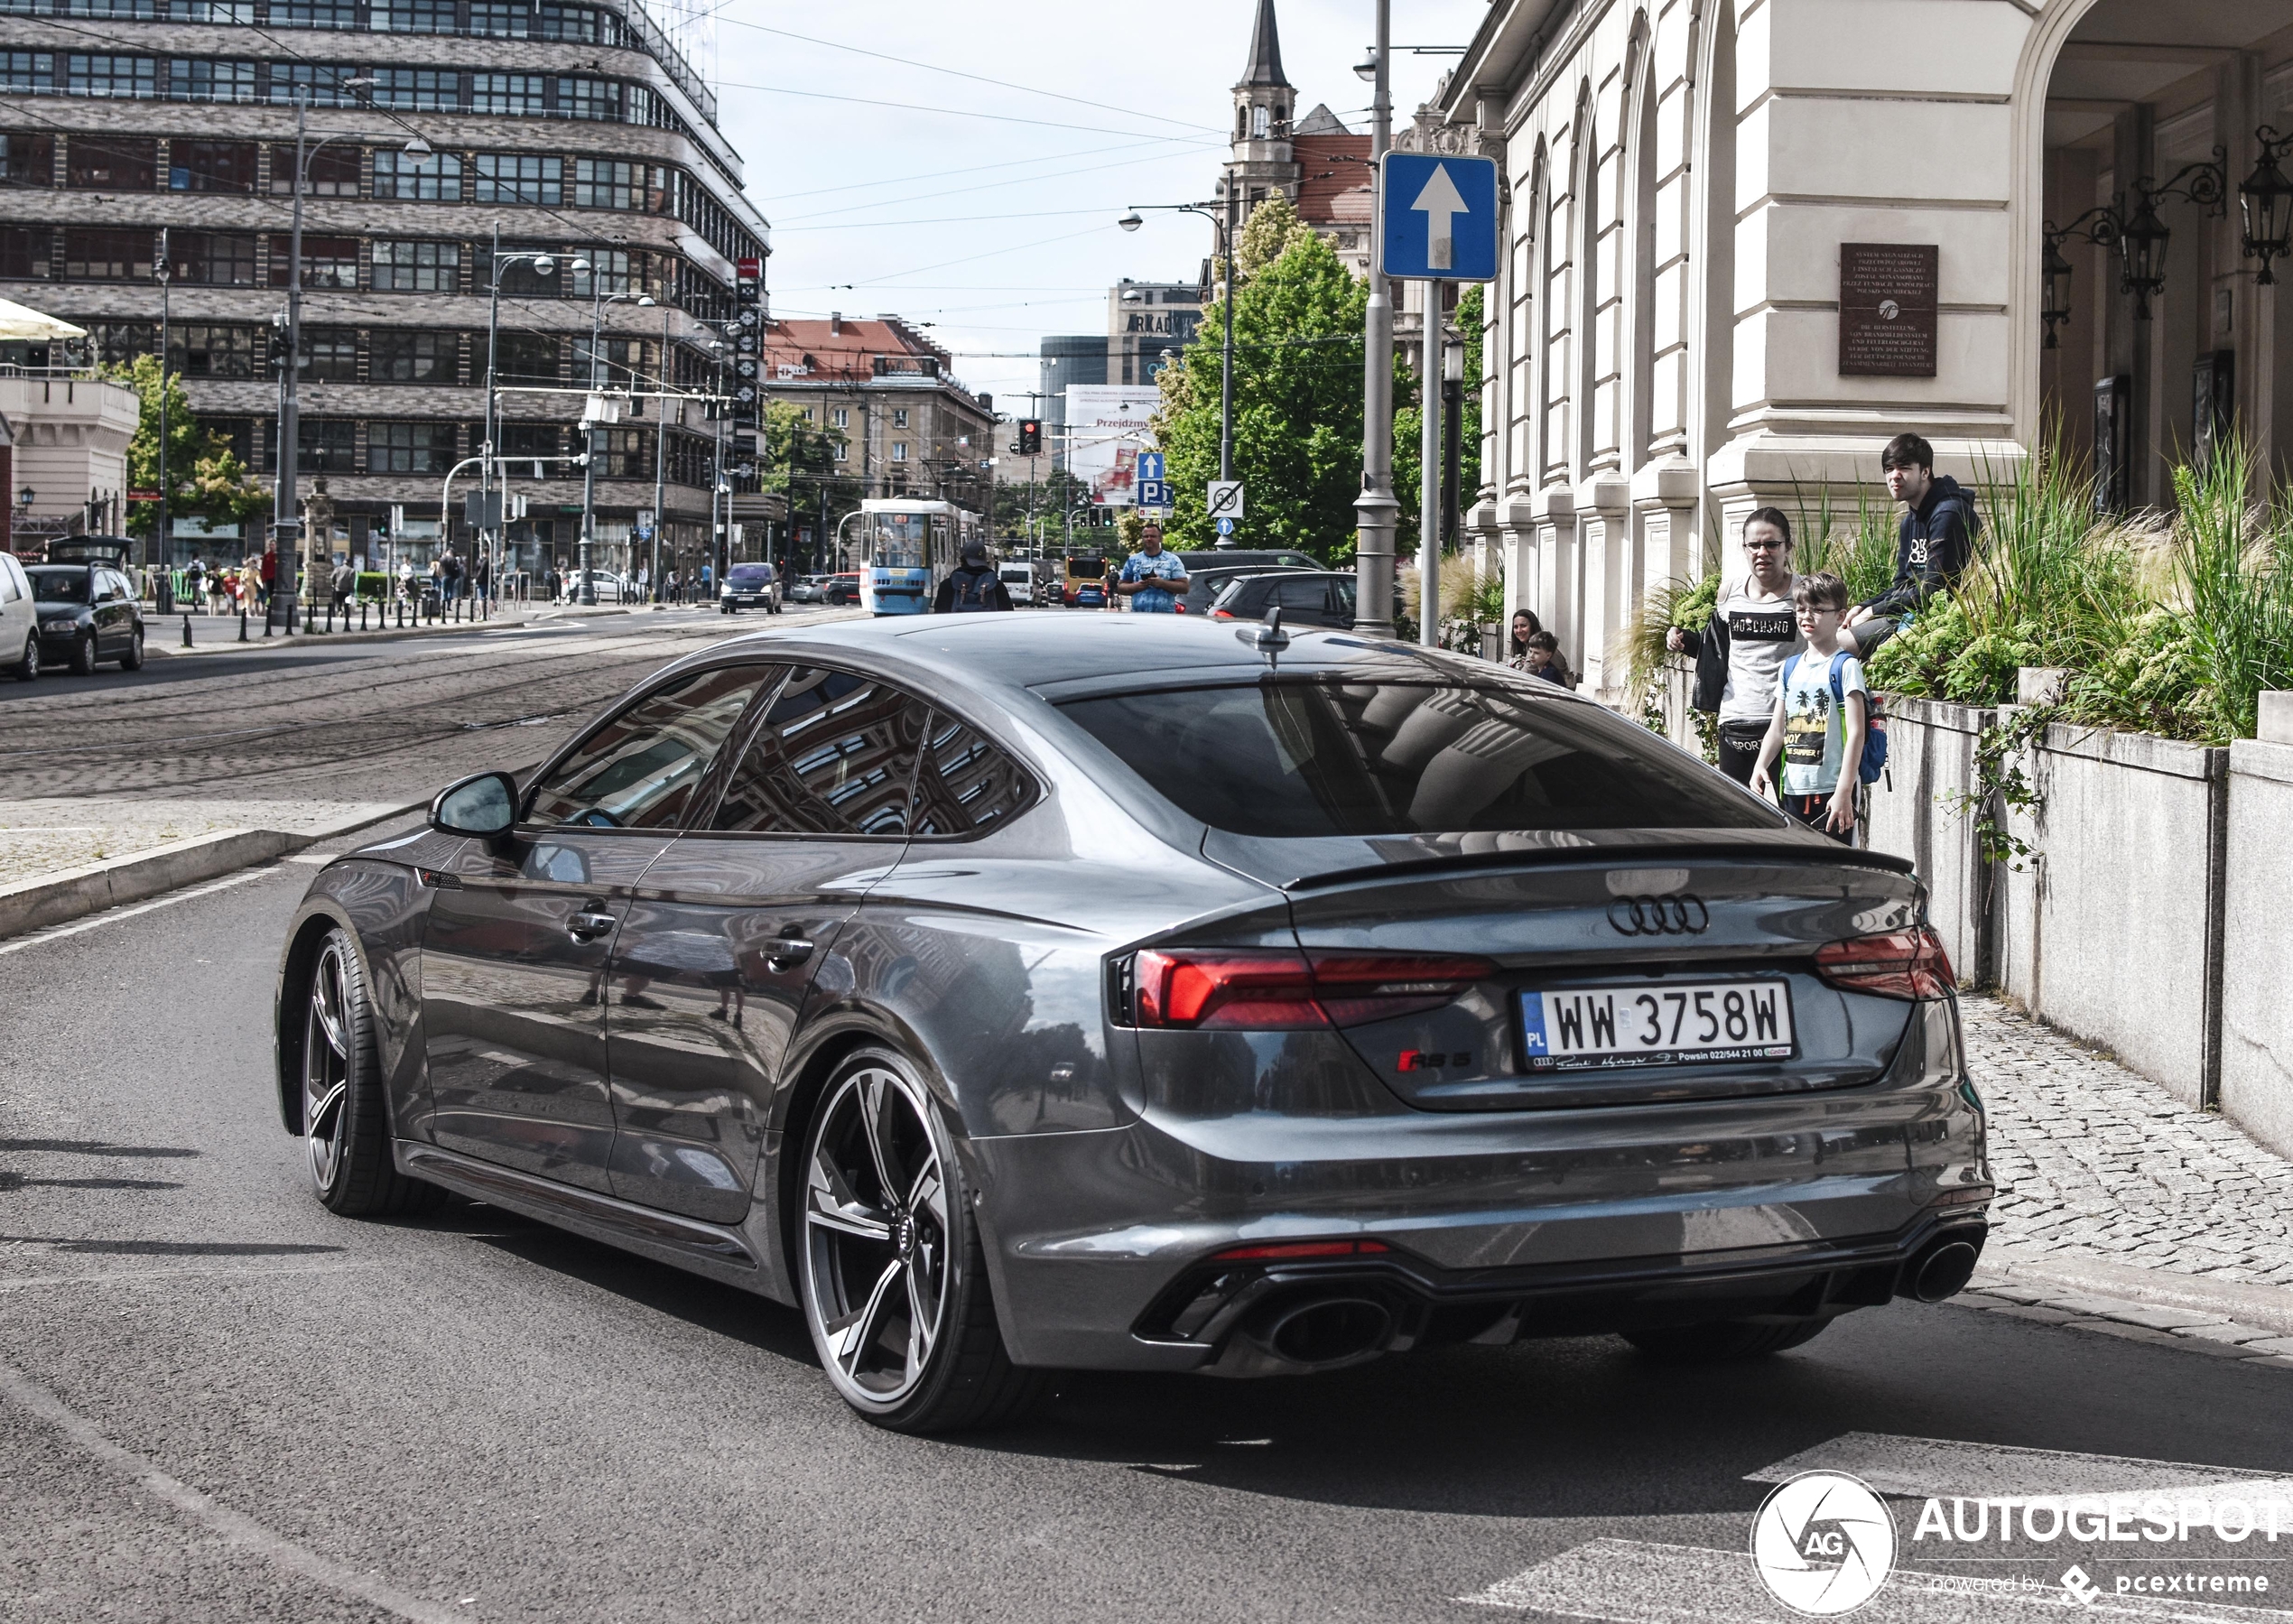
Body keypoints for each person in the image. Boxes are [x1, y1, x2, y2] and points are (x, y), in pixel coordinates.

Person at [1669, 507, 1802, 791]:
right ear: (1745, 548)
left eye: (1771, 544)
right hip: (1737, 720)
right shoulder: (1729, 593)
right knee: (1741, 817)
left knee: (1793, 820)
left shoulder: (1805, 593)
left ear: (1788, 546)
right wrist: (1682, 639)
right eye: (1754, 545)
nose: (1762, 552)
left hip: (1792, 723)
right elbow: (1715, 648)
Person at [1753, 571, 1868, 844]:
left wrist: (1844, 791)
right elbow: (1777, 729)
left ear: (1840, 617)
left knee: (1836, 871)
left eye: (1817, 610)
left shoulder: (1845, 667)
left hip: (1832, 790)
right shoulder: (1789, 667)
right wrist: (1761, 764)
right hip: (1792, 788)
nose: (1806, 617)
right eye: (1801, 609)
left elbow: (1856, 733)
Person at [1845, 432, 1978, 654]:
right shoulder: (1910, 522)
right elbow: (1903, 584)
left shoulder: (1949, 514)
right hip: (1910, 612)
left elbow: (1933, 590)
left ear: (1925, 471)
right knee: (1827, 642)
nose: (1894, 476)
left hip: (1940, 621)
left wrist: (1874, 612)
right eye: (1889, 469)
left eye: (1904, 467)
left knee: (1837, 648)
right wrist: (1864, 606)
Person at [1115, 524, 1186, 613]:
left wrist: (1162, 583)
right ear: (1142, 539)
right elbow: (1121, 587)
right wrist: (1137, 586)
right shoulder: (1133, 560)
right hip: (1138, 615)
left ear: (1160, 538)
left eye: (1152, 536)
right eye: (1146, 536)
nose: (1149, 539)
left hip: (1166, 617)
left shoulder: (1172, 560)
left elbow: (1185, 587)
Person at [933, 540, 1014, 611]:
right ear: (985, 559)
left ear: (962, 559)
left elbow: (940, 614)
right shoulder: (997, 585)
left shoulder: (948, 585)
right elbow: (1007, 614)